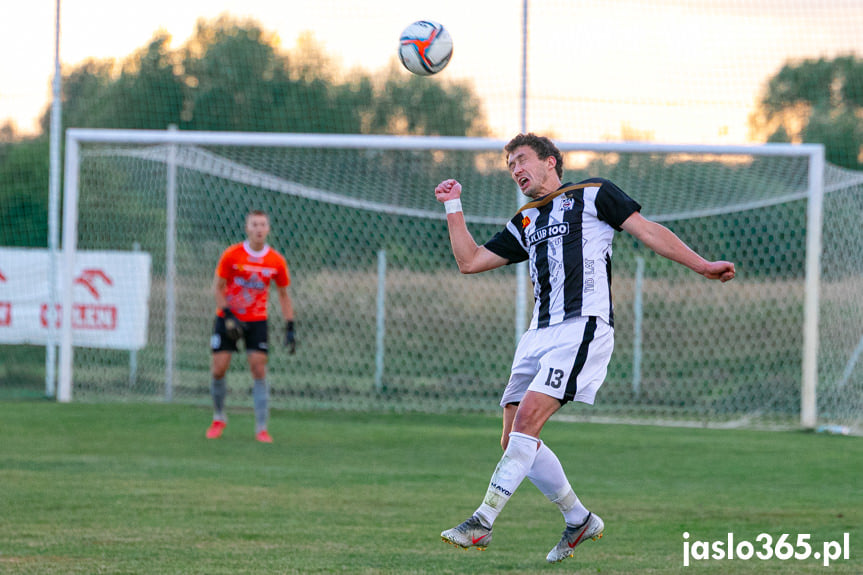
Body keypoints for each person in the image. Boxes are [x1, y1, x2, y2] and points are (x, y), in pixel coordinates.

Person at [436, 133, 735, 563]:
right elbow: (470, 261)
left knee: (527, 421)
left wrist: (703, 265)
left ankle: (482, 521)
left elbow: (648, 230)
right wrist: (452, 205)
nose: (516, 170)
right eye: (509, 166)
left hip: (582, 327)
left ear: (551, 161)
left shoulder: (593, 194)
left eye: (522, 160)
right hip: (538, 335)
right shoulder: (526, 220)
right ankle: (578, 519)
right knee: (512, 440)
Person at [205, 210, 296, 443]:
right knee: (219, 368)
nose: (258, 228)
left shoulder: (276, 261)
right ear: (247, 228)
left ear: (268, 229)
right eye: (254, 224)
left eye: (262, 224)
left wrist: (290, 326)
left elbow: (284, 294)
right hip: (228, 317)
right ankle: (218, 417)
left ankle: (261, 428)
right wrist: (227, 315)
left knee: (258, 369)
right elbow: (217, 287)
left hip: (256, 320)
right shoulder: (232, 255)